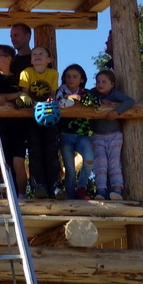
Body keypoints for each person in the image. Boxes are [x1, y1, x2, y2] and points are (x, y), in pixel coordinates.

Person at [19, 45, 61, 198]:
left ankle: (55, 185)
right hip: (32, 116)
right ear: (30, 59)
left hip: (49, 115)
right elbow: (24, 94)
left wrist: (49, 100)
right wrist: (31, 102)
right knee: (35, 151)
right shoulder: (26, 73)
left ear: (48, 59)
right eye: (34, 54)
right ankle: (38, 185)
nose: (37, 56)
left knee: (51, 150)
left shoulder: (53, 74)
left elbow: (52, 94)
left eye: (41, 54)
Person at [0, 44, 28, 195]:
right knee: (4, 165)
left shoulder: (19, 78)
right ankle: (7, 195)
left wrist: (4, 97)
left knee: (18, 163)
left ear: (8, 58)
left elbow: (23, 95)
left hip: (18, 128)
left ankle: (22, 195)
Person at [92, 69, 138, 201]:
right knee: (100, 164)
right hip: (98, 135)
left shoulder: (114, 94)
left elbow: (129, 101)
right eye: (98, 82)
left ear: (112, 84)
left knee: (114, 163)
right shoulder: (94, 94)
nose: (100, 84)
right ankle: (100, 191)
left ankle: (117, 189)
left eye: (104, 82)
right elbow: (85, 98)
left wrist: (116, 111)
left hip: (114, 135)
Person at [57, 63, 100, 199]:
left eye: (75, 77)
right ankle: (70, 197)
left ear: (81, 79)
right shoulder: (61, 91)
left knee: (89, 160)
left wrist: (79, 99)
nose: (71, 80)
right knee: (69, 169)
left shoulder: (85, 93)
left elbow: (95, 103)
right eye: (68, 77)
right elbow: (57, 101)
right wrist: (70, 98)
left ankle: (80, 187)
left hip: (82, 134)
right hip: (65, 134)